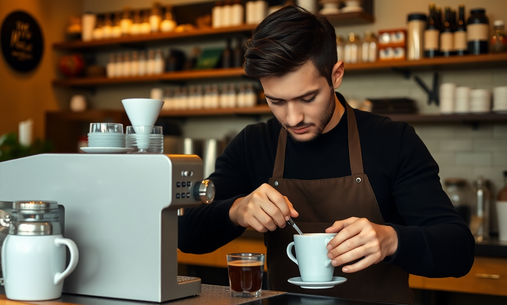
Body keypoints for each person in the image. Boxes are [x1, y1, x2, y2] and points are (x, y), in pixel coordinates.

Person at [178, 5, 474, 304]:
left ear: (336, 75)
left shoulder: (391, 140)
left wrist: (392, 240)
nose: (293, 118)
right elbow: (186, 235)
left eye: (307, 98)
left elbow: (459, 250)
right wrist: (236, 209)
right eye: (276, 101)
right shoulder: (254, 143)